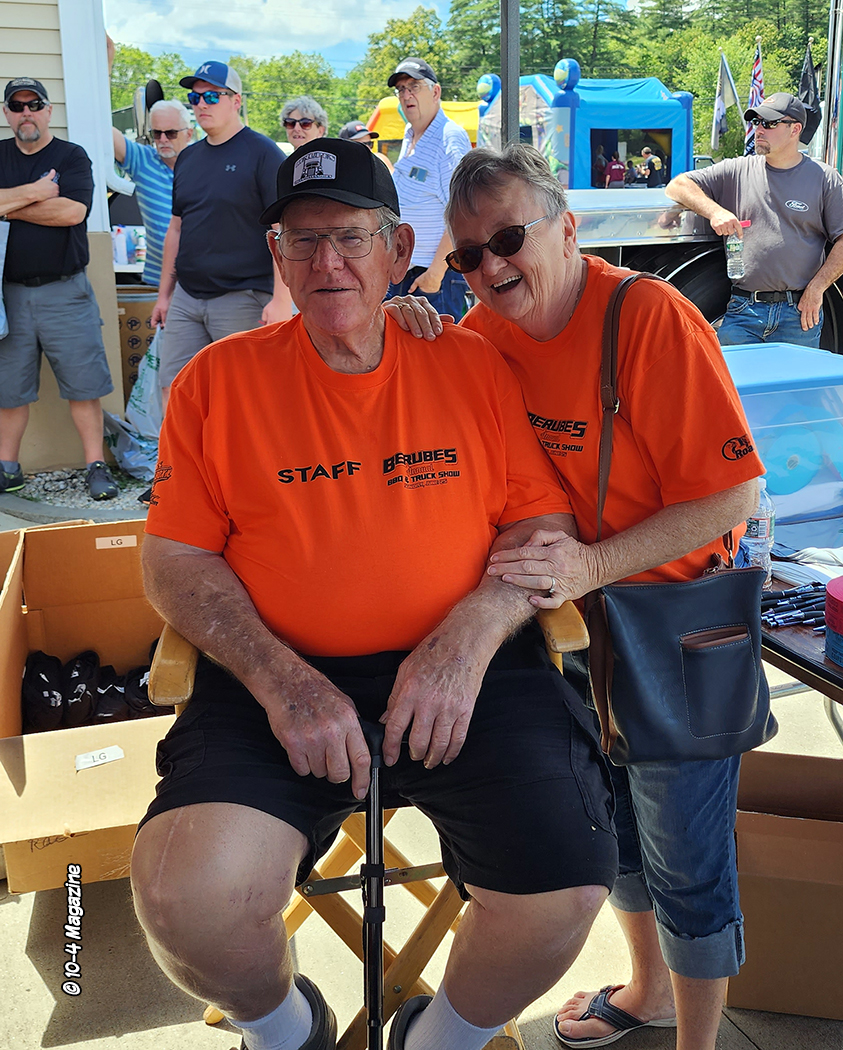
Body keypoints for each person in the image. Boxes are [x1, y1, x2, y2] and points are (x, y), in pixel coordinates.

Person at [132, 138, 617, 1050]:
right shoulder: (215, 382)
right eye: (303, 240)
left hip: (474, 672)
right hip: (274, 679)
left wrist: (467, 639)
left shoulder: (472, 364)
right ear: (276, 255)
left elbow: (538, 528)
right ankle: (288, 1030)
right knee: (184, 899)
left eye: (351, 237)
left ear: (398, 250)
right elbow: (174, 562)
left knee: (563, 887)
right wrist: (281, 681)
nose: (328, 263)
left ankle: (438, 1039)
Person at [387, 142, 765, 1050]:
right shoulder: (483, 333)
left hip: (672, 629)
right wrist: (408, 331)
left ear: (565, 229)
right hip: (568, 633)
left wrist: (593, 567)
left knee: (686, 858)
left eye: (507, 238)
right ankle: (648, 990)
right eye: (466, 254)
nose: (489, 266)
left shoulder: (649, 319)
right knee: (617, 835)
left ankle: (697, 1042)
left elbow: (731, 497)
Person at [0, 78, 118, 500]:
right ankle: (7, 470)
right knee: (9, 390)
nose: (26, 113)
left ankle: (96, 467)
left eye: (35, 104)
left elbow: (72, 212)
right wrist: (36, 192)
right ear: (7, 113)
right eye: (17, 105)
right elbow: (51, 205)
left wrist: (9, 206)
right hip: (9, 295)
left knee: (84, 385)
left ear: (49, 111)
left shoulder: (71, 156)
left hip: (65, 292)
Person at [152, 61, 292, 410]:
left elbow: (284, 231)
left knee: (241, 398)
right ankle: (185, 451)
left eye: (212, 96)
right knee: (175, 390)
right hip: (187, 297)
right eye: (195, 97)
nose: (201, 104)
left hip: (242, 297)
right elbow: (176, 228)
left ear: (236, 101)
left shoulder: (263, 154)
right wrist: (164, 295)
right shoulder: (188, 158)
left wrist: (281, 300)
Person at [666, 92, 843, 348]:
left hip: (799, 314)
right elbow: (677, 185)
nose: (759, 129)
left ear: (795, 129)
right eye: (757, 122)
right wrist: (714, 211)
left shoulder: (825, 179)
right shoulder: (737, 170)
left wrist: (817, 289)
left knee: (794, 377)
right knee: (729, 376)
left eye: (769, 123)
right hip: (742, 311)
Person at [385, 57, 472, 318]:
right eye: (401, 89)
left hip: (435, 279)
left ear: (435, 92)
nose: (406, 95)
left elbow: (463, 210)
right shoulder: (410, 134)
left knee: (440, 345)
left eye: (414, 86)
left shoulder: (449, 137)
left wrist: (436, 272)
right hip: (408, 272)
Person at [106, 34, 194, 288]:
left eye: (171, 133)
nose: (163, 139)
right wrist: (105, 69)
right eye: (157, 133)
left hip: (201, 281)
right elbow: (101, 127)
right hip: (157, 281)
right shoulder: (143, 160)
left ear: (188, 133)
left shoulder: (205, 165)